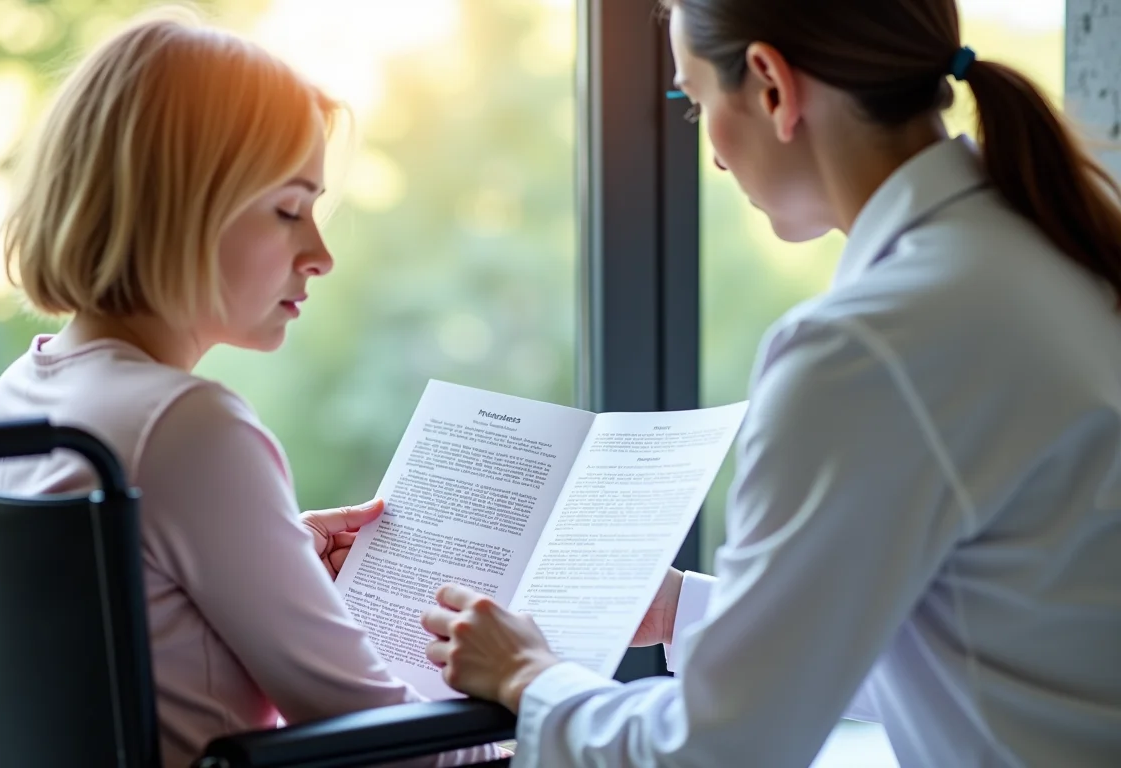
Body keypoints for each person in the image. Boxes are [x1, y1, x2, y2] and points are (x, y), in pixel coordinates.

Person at [420, 0, 1121, 765]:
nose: (713, 155)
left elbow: (718, 752)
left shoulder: (866, 348)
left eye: (692, 102)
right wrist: (685, 610)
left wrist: (529, 676)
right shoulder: (1049, 249)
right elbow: (989, 648)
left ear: (771, 86)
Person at [0, 10, 498, 768]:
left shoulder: (24, 391)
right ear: (178, 206)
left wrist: (265, 552)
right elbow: (388, 749)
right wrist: (528, 717)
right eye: (288, 210)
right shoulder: (187, 427)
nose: (320, 254)